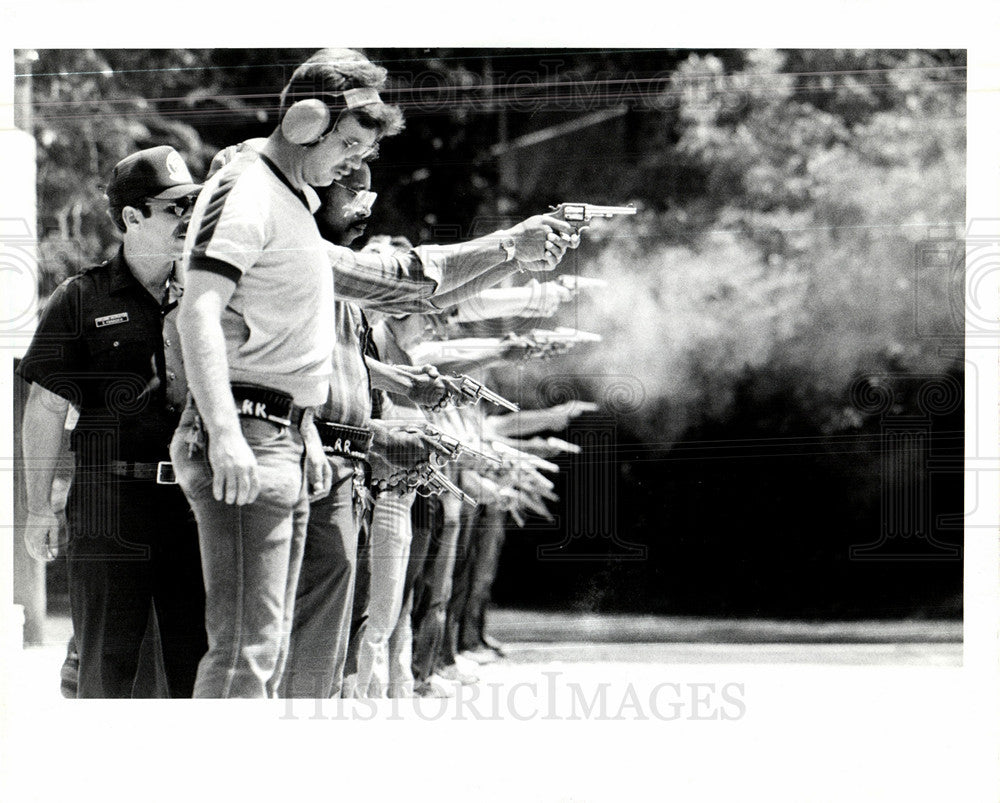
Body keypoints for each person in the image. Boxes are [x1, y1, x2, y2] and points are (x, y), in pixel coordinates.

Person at [19, 145, 207, 698]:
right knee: (107, 661)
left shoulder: (208, 295)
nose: (187, 219)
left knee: (196, 661)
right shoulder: (81, 298)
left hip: (194, 502)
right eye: (174, 209)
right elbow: (46, 408)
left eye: (192, 206)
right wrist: (38, 510)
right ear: (132, 218)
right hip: (110, 504)